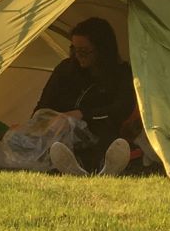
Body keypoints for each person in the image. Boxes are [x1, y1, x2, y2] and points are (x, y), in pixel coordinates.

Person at [37, 17, 136, 176]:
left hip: (99, 130)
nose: (78, 56)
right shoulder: (65, 69)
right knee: (21, 139)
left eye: (84, 51)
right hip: (60, 132)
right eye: (74, 50)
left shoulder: (120, 73)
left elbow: (122, 108)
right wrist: (42, 122)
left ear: (102, 49)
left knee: (104, 135)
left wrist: (83, 114)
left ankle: (99, 165)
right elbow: (44, 104)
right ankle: (72, 163)